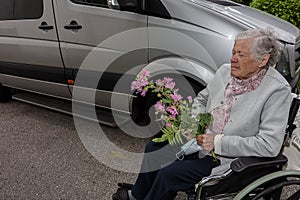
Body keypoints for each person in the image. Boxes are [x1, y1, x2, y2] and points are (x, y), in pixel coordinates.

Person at [112, 28, 292, 200]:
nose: (233, 59)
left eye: (241, 55)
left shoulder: (276, 90)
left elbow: (269, 145)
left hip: (228, 158)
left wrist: (218, 142)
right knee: (154, 149)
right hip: (198, 140)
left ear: (263, 60)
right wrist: (194, 123)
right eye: (233, 52)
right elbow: (202, 99)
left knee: (171, 173)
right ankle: (137, 195)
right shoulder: (224, 71)